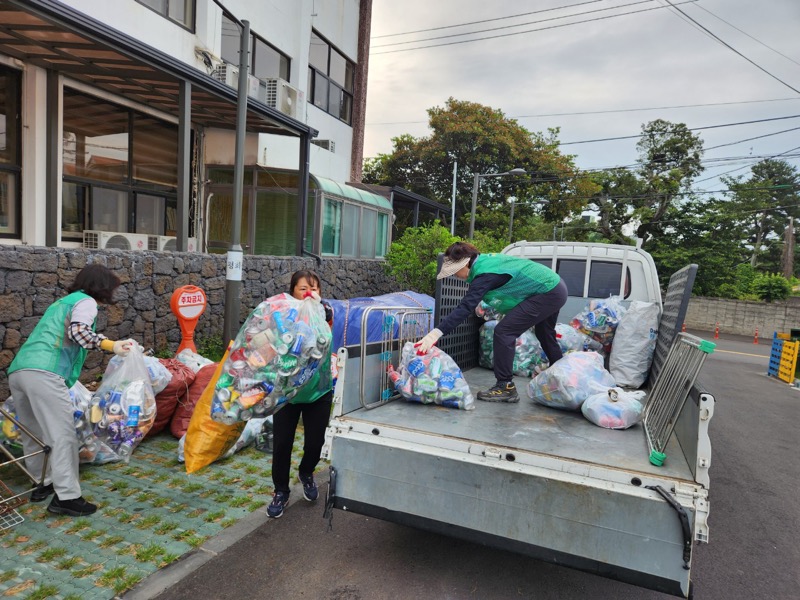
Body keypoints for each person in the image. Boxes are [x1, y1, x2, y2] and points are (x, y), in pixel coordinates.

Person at [7, 263, 136, 517]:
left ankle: (42, 483)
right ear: (102, 287)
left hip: (20, 370)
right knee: (63, 434)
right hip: (45, 372)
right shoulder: (86, 302)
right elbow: (79, 332)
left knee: (34, 433)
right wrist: (112, 345)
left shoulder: (62, 302)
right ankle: (67, 497)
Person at [415, 242, 568, 403]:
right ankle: (561, 379)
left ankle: (505, 386)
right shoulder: (485, 263)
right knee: (545, 334)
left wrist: (434, 334)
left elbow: (465, 307)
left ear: (466, 263)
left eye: (454, 271)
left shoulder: (484, 273)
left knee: (504, 332)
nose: (455, 276)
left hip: (548, 291)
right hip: (555, 286)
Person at [267, 269, 334, 519]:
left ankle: (306, 472)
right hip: (287, 391)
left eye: (314, 288)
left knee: (315, 442)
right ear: (292, 291)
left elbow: (328, 318)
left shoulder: (325, 311)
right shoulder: (282, 314)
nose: (309, 293)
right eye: (303, 288)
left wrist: (319, 308)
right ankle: (281, 491)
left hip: (318, 390)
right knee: (282, 444)